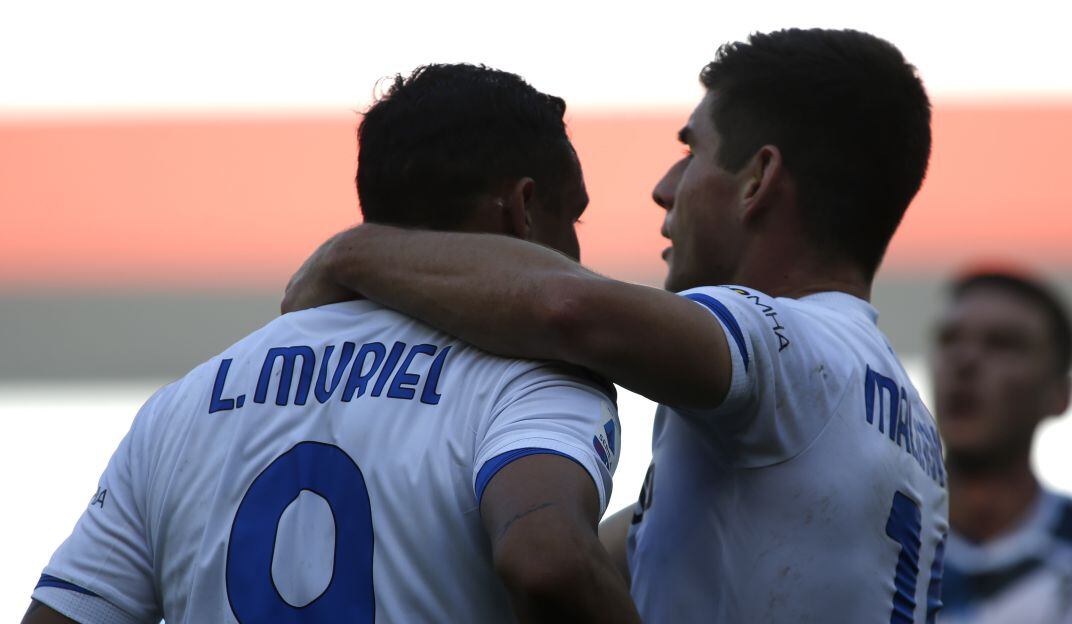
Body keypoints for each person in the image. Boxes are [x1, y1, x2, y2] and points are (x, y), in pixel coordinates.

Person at [284, 28, 949, 622]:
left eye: (691, 151)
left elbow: (568, 310)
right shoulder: (900, 418)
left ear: (758, 181)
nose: (665, 187)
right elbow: (618, 553)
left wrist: (352, 252)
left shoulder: (790, 345)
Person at [22, 64, 640, 624]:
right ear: (522, 210)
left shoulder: (180, 407)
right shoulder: (534, 378)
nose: (577, 249)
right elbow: (549, 563)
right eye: (574, 217)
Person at [933, 270, 1072, 623]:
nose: (965, 360)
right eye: (950, 340)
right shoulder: (865, 536)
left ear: (1060, 395)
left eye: (1002, 344)